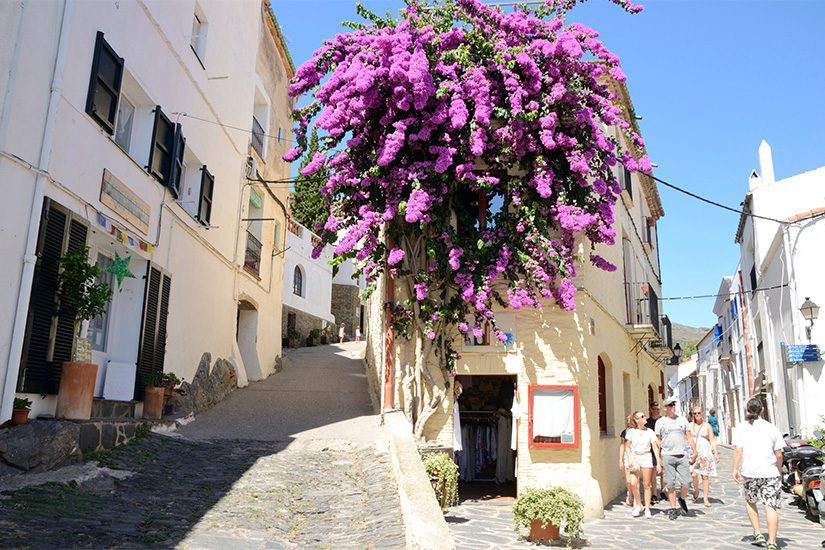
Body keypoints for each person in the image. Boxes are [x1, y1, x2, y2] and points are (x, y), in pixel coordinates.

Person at [733, 398, 784, 550]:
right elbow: (779, 453)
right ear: (762, 410)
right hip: (769, 471)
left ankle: (758, 533)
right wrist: (779, 470)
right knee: (770, 506)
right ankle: (772, 542)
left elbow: (738, 450)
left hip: (750, 471)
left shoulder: (742, 428)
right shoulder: (772, 428)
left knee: (750, 501)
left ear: (748, 410)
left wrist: (735, 468)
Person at [655, 396, 698, 520]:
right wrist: (658, 458)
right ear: (665, 408)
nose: (673, 407)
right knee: (670, 483)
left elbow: (689, 436)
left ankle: (682, 498)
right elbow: (658, 440)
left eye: (674, 404)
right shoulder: (660, 422)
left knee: (687, 482)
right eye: (670, 405)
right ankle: (673, 508)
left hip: (682, 454)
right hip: (667, 455)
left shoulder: (682, 420)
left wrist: (695, 451)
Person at [621, 410, 662, 518]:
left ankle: (647, 508)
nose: (645, 418)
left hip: (646, 457)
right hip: (635, 457)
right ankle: (638, 504)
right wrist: (629, 459)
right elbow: (627, 446)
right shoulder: (631, 432)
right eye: (642, 416)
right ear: (637, 420)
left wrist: (658, 462)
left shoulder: (650, 432)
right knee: (633, 483)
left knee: (646, 484)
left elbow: (655, 447)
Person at [689, 407, 719, 507]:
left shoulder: (707, 426)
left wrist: (715, 453)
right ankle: (696, 491)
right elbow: (687, 439)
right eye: (695, 413)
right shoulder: (690, 426)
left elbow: (712, 440)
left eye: (699, 413)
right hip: (694, 452)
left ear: (702, 414)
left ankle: (706, 498)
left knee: (705, 476)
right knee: (693, 474)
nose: (697, 415)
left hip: (705, 452)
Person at [645, 401, 663, 502]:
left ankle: (663, 491)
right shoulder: (647, 422)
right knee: (653, 472)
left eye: (658, 409)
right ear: (650, 410)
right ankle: (654, 494)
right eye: (654, 409)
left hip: (663, 448)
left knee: (663, 472)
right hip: (651, 449)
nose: (656, 411)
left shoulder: (663, 421)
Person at [618, 416, 634, 507]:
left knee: (634, 479)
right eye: (627, 420)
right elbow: (622, 446)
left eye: (631, 420)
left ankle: (635, 496)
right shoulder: (625, 432)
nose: (629, 422)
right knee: (628, 480)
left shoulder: (638, 432)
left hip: (636, 456)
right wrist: (620, 460)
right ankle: (630, 493)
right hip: (627, 456)